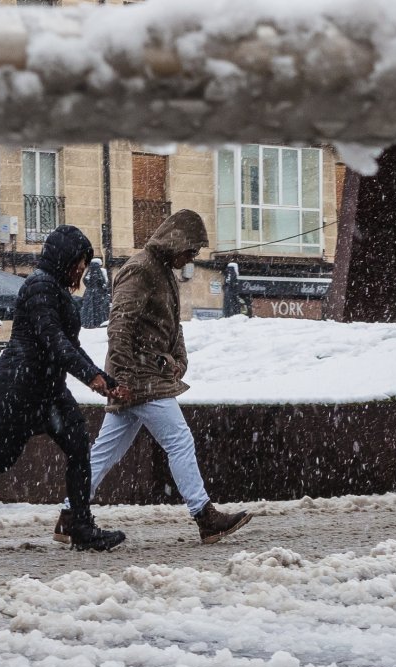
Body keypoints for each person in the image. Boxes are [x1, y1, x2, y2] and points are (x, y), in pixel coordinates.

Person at [0, 225, 131, 553]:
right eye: (79, 263)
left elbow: (68, 344)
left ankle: (80, 525)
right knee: (5, 455)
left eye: (85, 265)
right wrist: (92, 377)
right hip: (22, 385)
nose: (82, 270)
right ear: (64, 258)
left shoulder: (53, 287)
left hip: (44, 385)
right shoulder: (40, 287)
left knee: (74, 446)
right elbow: (54, 340)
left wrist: (102, 378)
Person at [53, 210, 252, 545]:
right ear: (175, 242)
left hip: (141, 376)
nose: (193, 258)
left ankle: (69, 516)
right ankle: (205, 516)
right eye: (191, 251)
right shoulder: (141, 269)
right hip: (141, 378)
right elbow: (119, 326)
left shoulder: (159, 270)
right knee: (179, 441)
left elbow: (172, 326)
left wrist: (180, 360)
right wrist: (124, 378)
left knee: (105, 451)